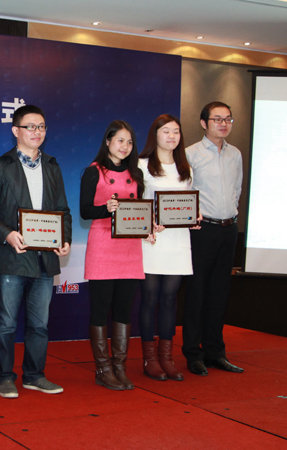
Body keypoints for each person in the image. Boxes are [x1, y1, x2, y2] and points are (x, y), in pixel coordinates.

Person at [0, 105, 71, 399]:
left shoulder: (52, 166)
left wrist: (64, 238)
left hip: (45, 258)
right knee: (5, 324)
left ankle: (34, 375)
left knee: (39, 324)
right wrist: (7, 234)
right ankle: (5, 377)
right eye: (30, 126)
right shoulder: (0, 165)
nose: (36, 132)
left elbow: (63, 211)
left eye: (41, 126)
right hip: (12, 256)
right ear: (15, 131)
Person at [80, 120, 145, 391]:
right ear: (107, 142)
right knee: (100, 309)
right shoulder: (93, 171)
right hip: (103, 245)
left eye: (129, 142)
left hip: (130, 248)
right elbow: (85, 211)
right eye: (120, 140)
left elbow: (140, 209)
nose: (125, 146)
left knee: (123, 309)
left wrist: (149, 227)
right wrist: (106, 208)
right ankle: (103, 369)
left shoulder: (136, 173)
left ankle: (120, 366)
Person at [183, 102, 244, 376]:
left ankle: (215, 352)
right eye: (217, 119)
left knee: (220, 292)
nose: (223, 124)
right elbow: (184, 192)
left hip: (228, 228)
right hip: (201, 230)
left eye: (228, 119)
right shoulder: (190, 154)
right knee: (196, 292)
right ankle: (193, 353)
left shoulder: (235, 154)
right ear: (203, 123)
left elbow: (237, 189)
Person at [138, 114, 195, 382]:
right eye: (166, 131)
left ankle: (167, 358)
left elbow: (188, 202)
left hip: (178, 240)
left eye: (176, 132)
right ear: (155, 135)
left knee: (170, 299)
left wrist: (195, 215)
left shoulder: (186, 167)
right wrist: (148, 222)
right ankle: (149, 359)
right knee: (150, 298)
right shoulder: (141, 165)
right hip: (152, 240)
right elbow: (135, 204)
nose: (172, 136)